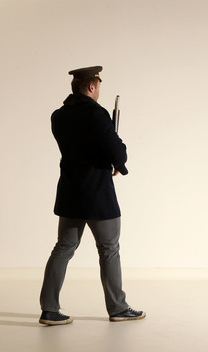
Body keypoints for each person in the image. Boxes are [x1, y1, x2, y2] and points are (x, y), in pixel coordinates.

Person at [39, 66, 145, 325]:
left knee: (62, 248)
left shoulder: (58, 116)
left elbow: (79, 148)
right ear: (91, 86)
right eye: (98, 87)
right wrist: (118, 160)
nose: (99, 92)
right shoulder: (97, 114)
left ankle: (49, 310)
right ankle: (118, 308)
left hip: (70, 192)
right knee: (109, 250)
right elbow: (118, 152)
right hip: (97, 193)